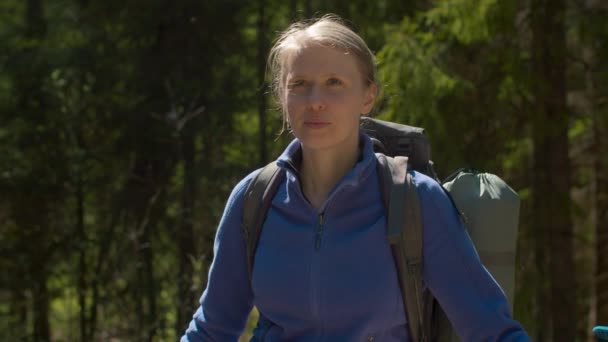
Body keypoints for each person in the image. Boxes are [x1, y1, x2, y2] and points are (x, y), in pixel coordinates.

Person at [182, 14, 530, 341]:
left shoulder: (415, 200)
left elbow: (491, 330)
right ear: (282, 96)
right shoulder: (254, 199)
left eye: (334, 83)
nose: (315, 101)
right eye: (299, 84)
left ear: (368, 96)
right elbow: (212, 329)